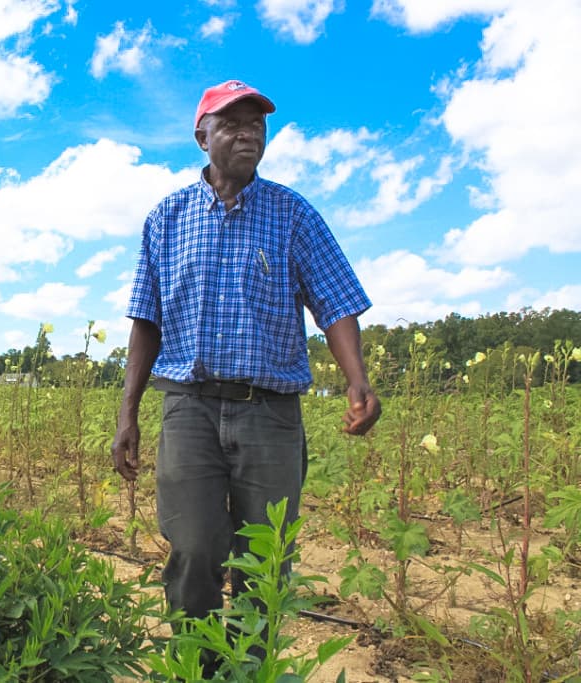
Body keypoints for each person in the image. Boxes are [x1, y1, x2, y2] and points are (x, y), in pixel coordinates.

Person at [111, 79, 381, 674]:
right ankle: (199, 667)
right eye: (231, 124)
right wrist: (127, 412)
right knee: (194, 547)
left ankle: (252, 670)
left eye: (256, 124)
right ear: (201, 136)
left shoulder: (292, 214)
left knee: (265, 560)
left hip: (270, 413)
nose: (247, 134)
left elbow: (336, 302)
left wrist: (357, 379)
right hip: (189, 408)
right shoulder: (166, 219)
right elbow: (146, 321)